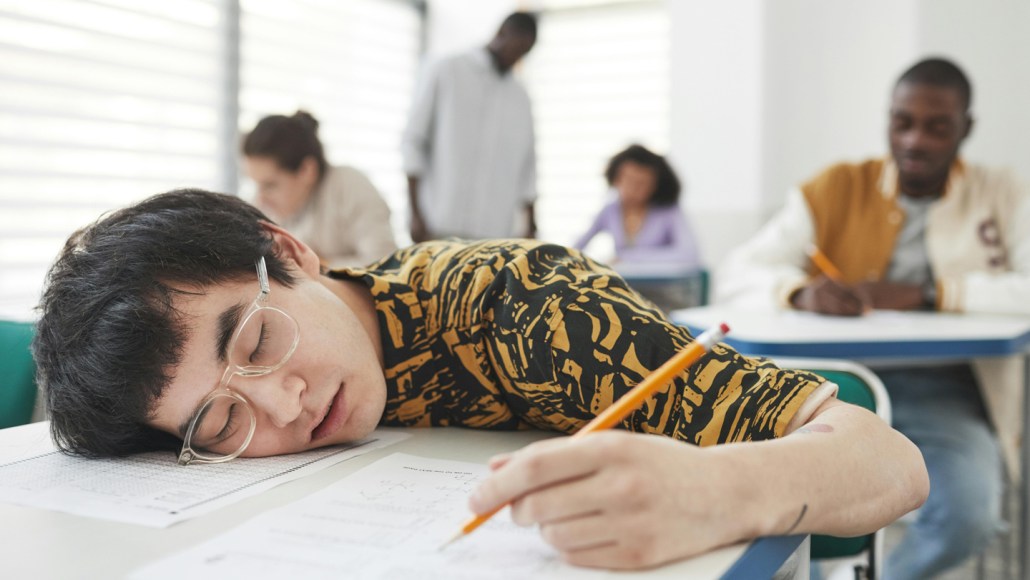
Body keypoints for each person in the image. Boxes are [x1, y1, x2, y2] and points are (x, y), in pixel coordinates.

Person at [33, 189, 927, 571]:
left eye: (259, 339)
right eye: (221, 424)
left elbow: (888, 458)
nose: (283, 404)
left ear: (288, 249)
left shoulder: (526, 308)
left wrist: (722, 490)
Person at [717, 57, 1030, 579]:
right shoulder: (837, 188)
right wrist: (799, 292)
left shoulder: (1001, 194)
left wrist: (931, 293)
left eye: (937, 127)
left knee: (967, 516)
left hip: (945, 390)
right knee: (800, 515)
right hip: (832, 385)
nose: (915, 141)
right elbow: (738, 270)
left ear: (966, 129)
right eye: (902, 122)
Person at [402, 12, 538, 242]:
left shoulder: (520, 96)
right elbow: (413, 141)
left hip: (493, 235)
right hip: (438, 226)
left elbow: (528, 167)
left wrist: (531, 224)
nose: (516, 57)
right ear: (501, 34)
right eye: (516, 48)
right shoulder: (446, 70)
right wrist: (415, 213)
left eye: (524, 52)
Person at [243, 110, 397, 268]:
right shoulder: (263, 205)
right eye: (256, 185)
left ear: (307, 170)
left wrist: (314, 266)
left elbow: (383, 264)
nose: (260, 199)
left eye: (270, 185)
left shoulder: (349, 187)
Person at [574, 144, 701, 270]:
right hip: (622, 286)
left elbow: (689, 254)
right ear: (615, 179)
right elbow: (576, 248)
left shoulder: (668, 211)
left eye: (642, 183)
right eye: (628, 180)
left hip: (661, 286)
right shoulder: (609, 210)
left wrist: (627, 257)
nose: (633, 189)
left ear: (655, 185)